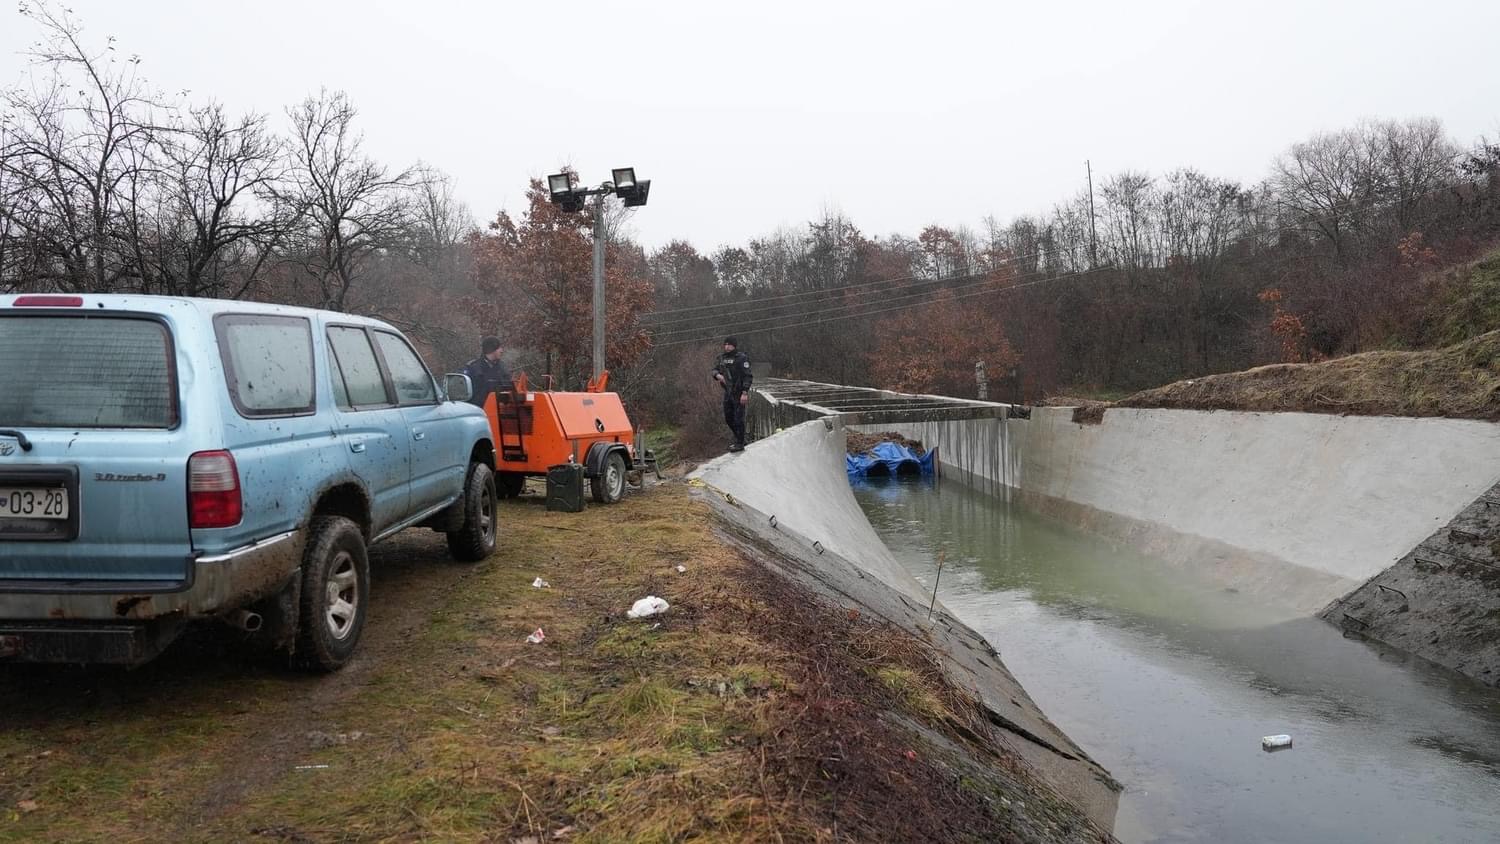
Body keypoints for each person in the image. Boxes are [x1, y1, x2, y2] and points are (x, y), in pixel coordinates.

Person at [712, 336, 753, 452]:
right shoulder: (722, 358)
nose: (726, 347)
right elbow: (714, 370)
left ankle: (740, 443)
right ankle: (740, 438)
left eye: (729, 344)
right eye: (725, 344)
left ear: (734, 345)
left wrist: (744, 392)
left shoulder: (741, 358)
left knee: (738, 418)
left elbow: (747, 376)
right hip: (728, 392)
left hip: (738, 392)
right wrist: (718, 375)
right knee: (728, 418)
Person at [462, 336, 513, 406]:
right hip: (478, 410)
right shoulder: (473, 368)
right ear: (491, 350)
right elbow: (465, 393)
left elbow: (509, 390)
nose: (502, 351)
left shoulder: (503, 368)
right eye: (499, 348)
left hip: (501, 410)